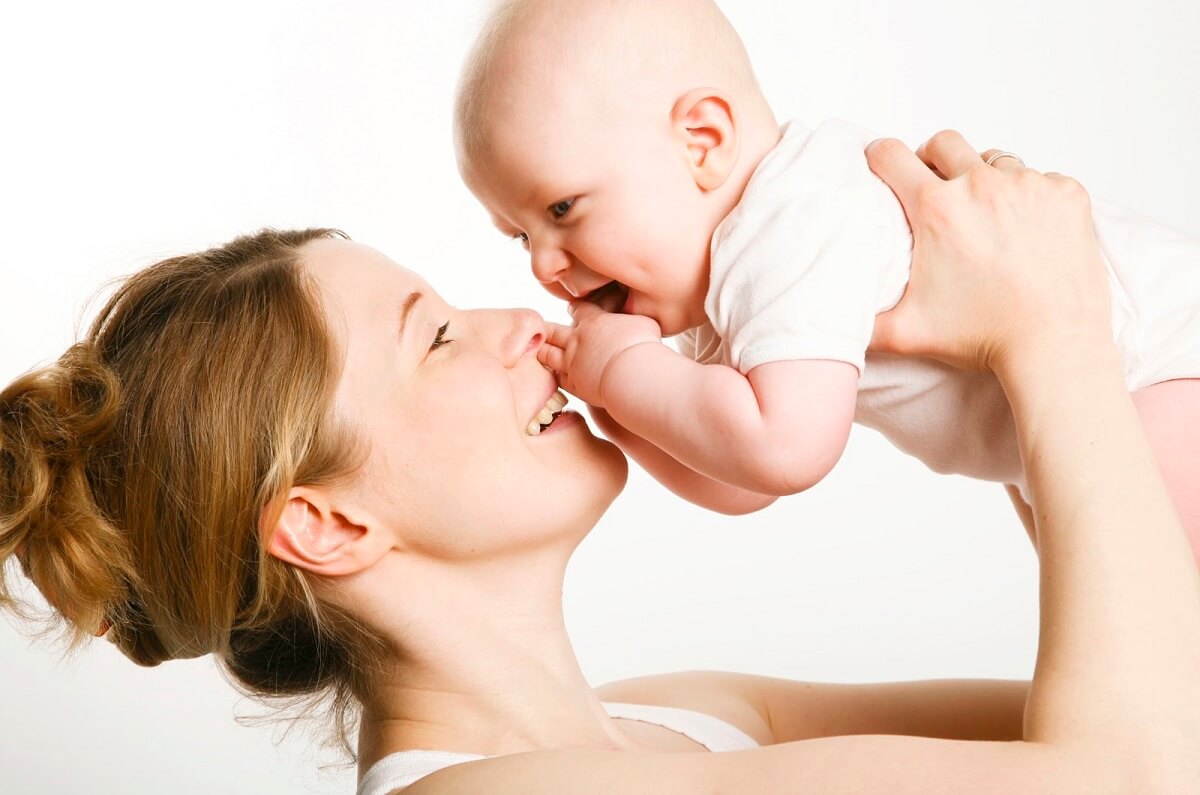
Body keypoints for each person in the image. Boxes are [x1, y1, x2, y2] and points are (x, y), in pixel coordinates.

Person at [1, 129, 1197, 792]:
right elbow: (1132, 774)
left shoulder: (687, 719)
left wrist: (990, 394)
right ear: (327, 524)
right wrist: (1056, 331)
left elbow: (1149, 717)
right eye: (438, 337)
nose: (526, 321)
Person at [453, 0, 1200, 558]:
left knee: (1151, 639)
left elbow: (785, 448)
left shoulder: (790, 222)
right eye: (522, 235)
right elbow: (745, 480)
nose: (545, 264)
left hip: (1163, 371)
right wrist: (633, 409)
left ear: (702, 142)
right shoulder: (723, 281)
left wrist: (624, 370)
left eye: (562, 208)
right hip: (1094, 409)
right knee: (1140, 652)